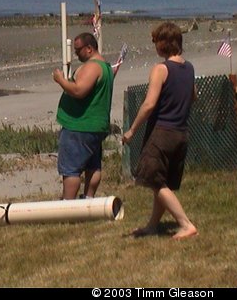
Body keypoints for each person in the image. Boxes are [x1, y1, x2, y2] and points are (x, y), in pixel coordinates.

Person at [122, 22, 198, 240]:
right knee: (162, 182)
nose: (154, 45)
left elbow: (148, 104)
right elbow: (193, 96)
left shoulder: (161, 69)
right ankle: (153, 226)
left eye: (156, 41)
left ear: (164, 43)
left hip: (162, 132)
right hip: (181, 133)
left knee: (153, 179)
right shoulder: (189, 68)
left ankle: (185, 224)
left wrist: (132, 130)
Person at [52, 32, 114, 200]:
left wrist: (61, 81)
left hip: (80, 125)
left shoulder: (93, 67)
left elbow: (79, 90)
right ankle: (88, 198)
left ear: (89, 48)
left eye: (78, 50)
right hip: (95, 125)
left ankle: (68, 204)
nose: (76, 54)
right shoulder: (106, 67)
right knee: (92, 165)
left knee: (71, 169)